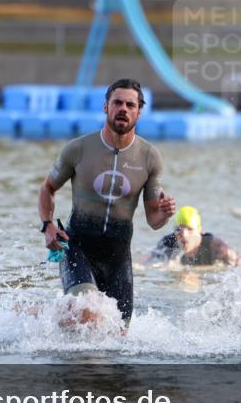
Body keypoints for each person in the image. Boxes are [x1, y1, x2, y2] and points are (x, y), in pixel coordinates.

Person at [38, 79, 177, 326]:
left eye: (130, 104)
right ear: (106, 107)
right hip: (77, 246)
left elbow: (153, 221)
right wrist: (48, 225)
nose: (123, 108)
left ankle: (44, 316)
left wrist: (164, 214)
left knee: (117, 337)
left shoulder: (150, 157)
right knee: (88, 310)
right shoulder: (78, 148)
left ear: (138, 112)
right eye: (117, 103)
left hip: (118, 255)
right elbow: (47, 188)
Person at [150, 206, 241, 267]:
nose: (184, 235)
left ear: (200, 231)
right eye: (178, 229)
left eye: (189, 229)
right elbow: (145, 263)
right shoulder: (168, 244)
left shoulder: (215, 246)